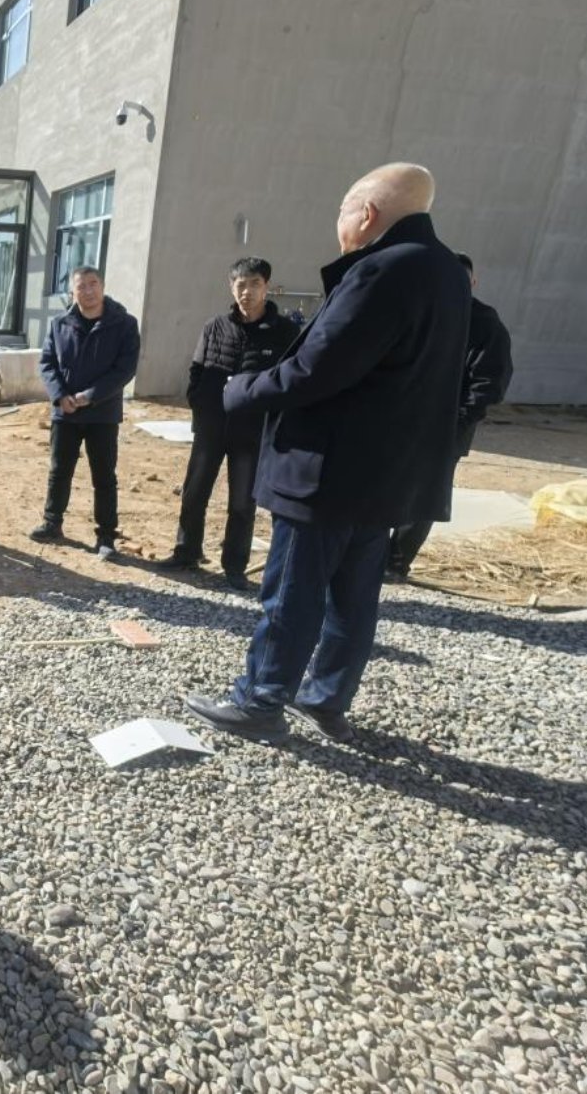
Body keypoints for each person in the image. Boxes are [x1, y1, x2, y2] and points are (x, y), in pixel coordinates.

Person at [183, 163, 470, 746]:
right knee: (354, 600)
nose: (338, 222)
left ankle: (261, 700)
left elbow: (318, 369)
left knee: (292, 592)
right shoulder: (446, 272)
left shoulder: (381, 270)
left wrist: (240, 390)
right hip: (386, 474)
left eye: (342, 210)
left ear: (367, 213)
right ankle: (326, 699)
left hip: (328, 469)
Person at [159, 258, 300, 589]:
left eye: (254, 284)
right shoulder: (216, 326)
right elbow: (197, 368)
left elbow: (290, 378)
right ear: (231, 287)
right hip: (211, 426)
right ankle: (186, 551)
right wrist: (199, 404)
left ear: (266, 287)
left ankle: (234, 566)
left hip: (252, 430)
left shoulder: (285, 332)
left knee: (242, 502)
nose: (246, 291)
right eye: (240, 284)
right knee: (194, 493)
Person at [387, 252, 514, 579]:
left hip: (447, 428)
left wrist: (457, 421)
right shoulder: (420, 313)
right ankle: (370, 556)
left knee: (423, 496)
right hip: (401, 421)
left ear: (473, 282)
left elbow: (489, 383)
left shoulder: (485, 325)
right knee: (385, 487)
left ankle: (396, 562)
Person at [31, 264, 140, 559]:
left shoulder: (124, 323)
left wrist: (90, 396)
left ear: (102, 287)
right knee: (59, 470)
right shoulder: (60, 323)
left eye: (93, 284)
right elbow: (47, 363)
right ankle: (52, 522)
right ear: (72, 291)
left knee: (103, 475)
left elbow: (125, 369)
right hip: (65, 412)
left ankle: (106, 536)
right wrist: (59, 396)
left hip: (102, 413)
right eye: (81, 286)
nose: (88, 291)